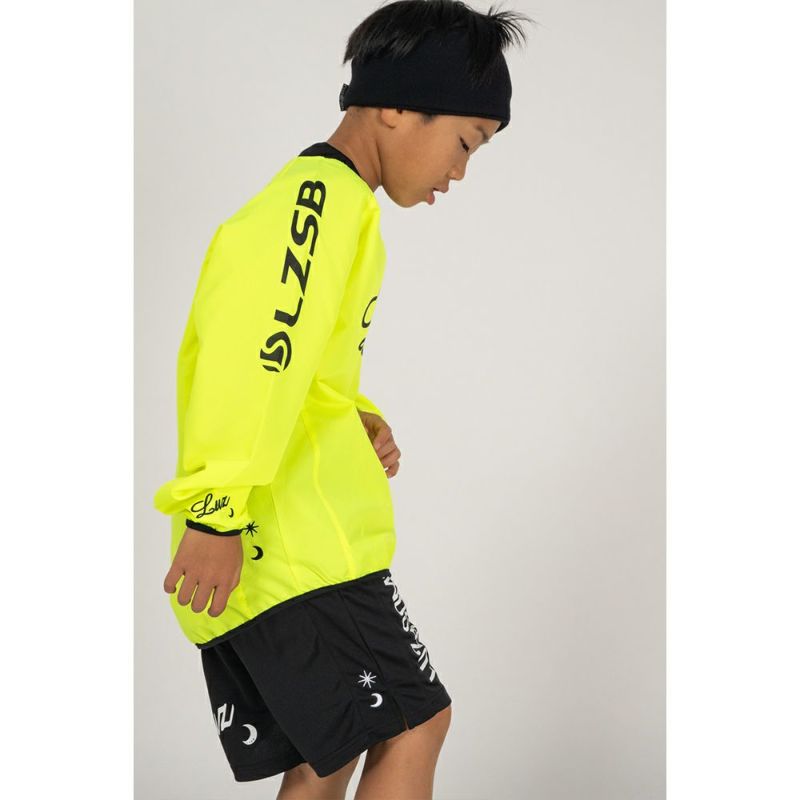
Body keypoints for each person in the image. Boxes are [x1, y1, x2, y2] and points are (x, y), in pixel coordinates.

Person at [152, 1, 533, 797]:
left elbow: (289, 363)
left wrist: (350, 415)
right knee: (416, 724)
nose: (460, 173)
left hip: (293, 546)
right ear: (398, 106)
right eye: (466, 142)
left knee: (332, 754)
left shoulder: (334, 206)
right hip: (294, 552)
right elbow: (247, 358)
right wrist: (215, 511)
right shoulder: (315, 207)